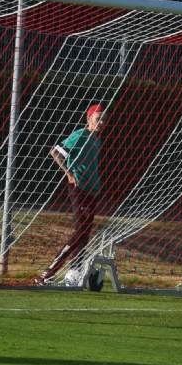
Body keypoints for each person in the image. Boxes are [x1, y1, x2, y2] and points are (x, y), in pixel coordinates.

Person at [36, 104, 105, 285]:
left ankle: (75, 272)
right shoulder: (80, 135)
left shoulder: (96, 139)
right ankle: (48, 273)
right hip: (79, 189)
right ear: (89, 119)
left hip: (92, 192)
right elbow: (55, 152)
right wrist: (69, 174)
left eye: (104, 119)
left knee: (84, 234)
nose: (101, 122)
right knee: (80, 231)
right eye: (98, 119)